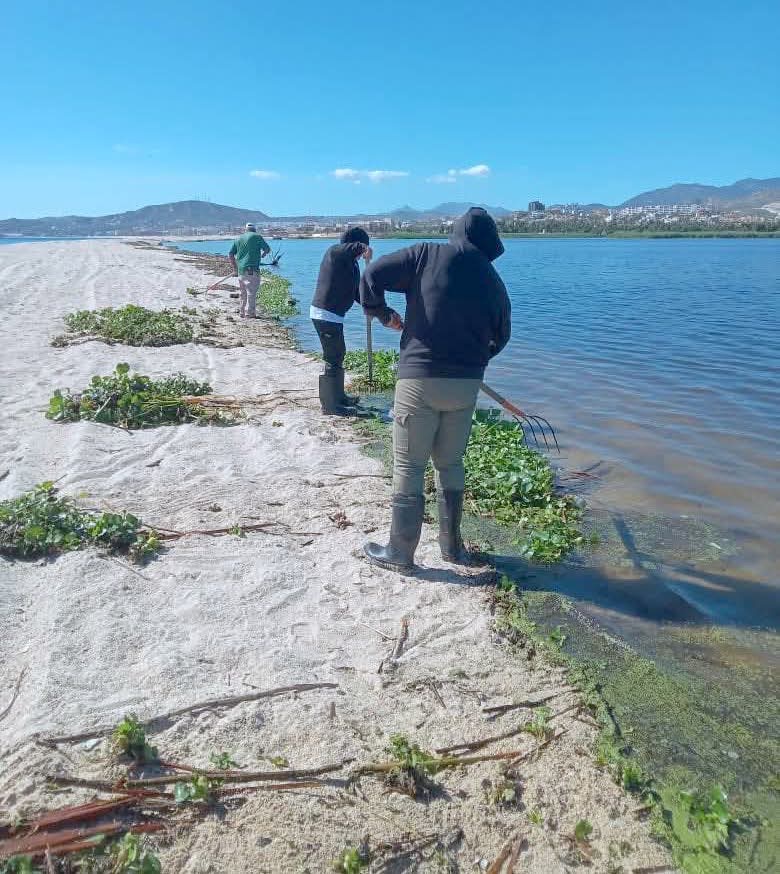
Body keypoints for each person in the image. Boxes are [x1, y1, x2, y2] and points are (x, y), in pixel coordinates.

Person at [359, 207, 511, 571]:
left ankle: (400, 552)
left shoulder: (425, 254)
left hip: (420, 379)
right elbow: (502, 334)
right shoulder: (492, 278)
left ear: (456, 231)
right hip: (466, 385)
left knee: (409, 465)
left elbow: (371, 277)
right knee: (451, 463)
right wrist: (476, 360)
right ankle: (452, 548)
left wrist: (383, 314)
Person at [310, 227, 373, 414]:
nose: (362, 255)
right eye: (362, 249)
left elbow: (355, 293)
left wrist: (370, 307)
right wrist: (363, 247)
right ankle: (330, 405)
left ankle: (339, 397)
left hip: (334, 316)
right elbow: (348, 248)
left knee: (339, 354)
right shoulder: (335, 254)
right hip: (324, 314)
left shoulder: (351, 264)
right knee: (333, 357)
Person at [229, 223, 272, 318]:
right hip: (252, 270)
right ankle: (250, 314)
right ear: (254, 230)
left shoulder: (238, 239)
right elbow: (268, 249)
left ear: (246, 230)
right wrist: (264, 254)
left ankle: (242, 312)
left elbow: (231, 254)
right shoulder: (257, 237)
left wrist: (235, 269)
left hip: (241, 271)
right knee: (251, 292)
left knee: (243, 293)